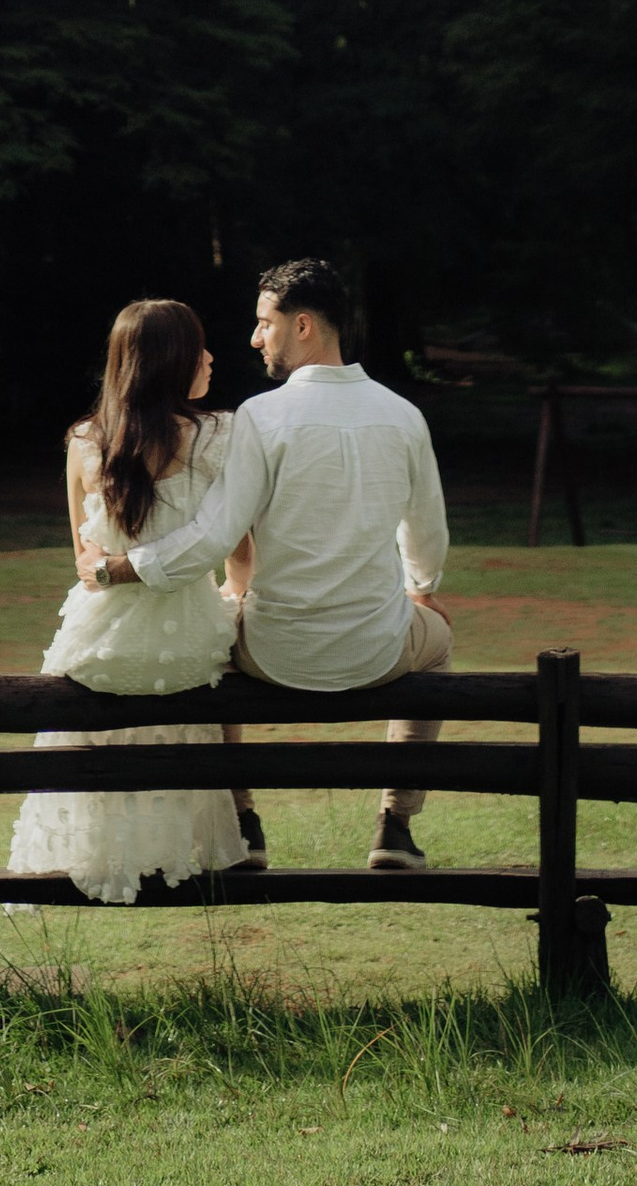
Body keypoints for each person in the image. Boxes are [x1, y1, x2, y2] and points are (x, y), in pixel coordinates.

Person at [80, 254, 450, 870]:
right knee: (437, 642)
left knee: (211, 634)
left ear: (302, 325)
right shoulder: (404, 415)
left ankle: (244, 821)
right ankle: (395, 825)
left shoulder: (261, 415)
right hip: (377, 650)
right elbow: (427, 531)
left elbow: (213, 536)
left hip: (273, 652)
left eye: (264, 323)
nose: (255, 339)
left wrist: (119, 568)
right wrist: (423, 588)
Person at [6, 297, 252, 904]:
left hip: (99, 652)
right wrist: (231, 598)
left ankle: (94, 849)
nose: (211, 358)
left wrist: (119, 568)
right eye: (199, 348)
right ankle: (241, 816)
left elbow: (86, 562)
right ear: (173, 361)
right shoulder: (217, 435)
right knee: (224, 657)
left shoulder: (84, 441)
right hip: (187, 655)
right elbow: (241, 552)